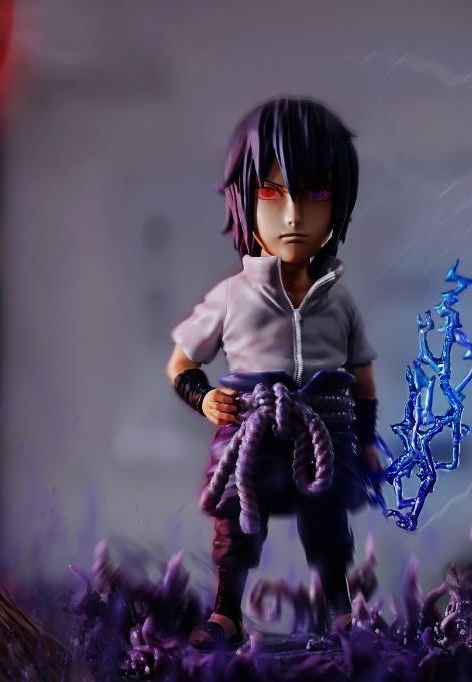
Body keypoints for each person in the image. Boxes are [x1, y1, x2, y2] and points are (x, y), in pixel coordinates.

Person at [165, 97, 381, 648]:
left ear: (338, 201)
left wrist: (365, 439)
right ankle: (225, 613)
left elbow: (361, 376)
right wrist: (204, 398)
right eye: (272, 192)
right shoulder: (231, 296)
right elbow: (182, 361)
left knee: (328, 524)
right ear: (245, 196)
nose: (293, 215)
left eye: (316, 194)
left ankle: (341, 612)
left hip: (323, 431)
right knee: (237, 522)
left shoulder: (339, 301)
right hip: (252, 431)